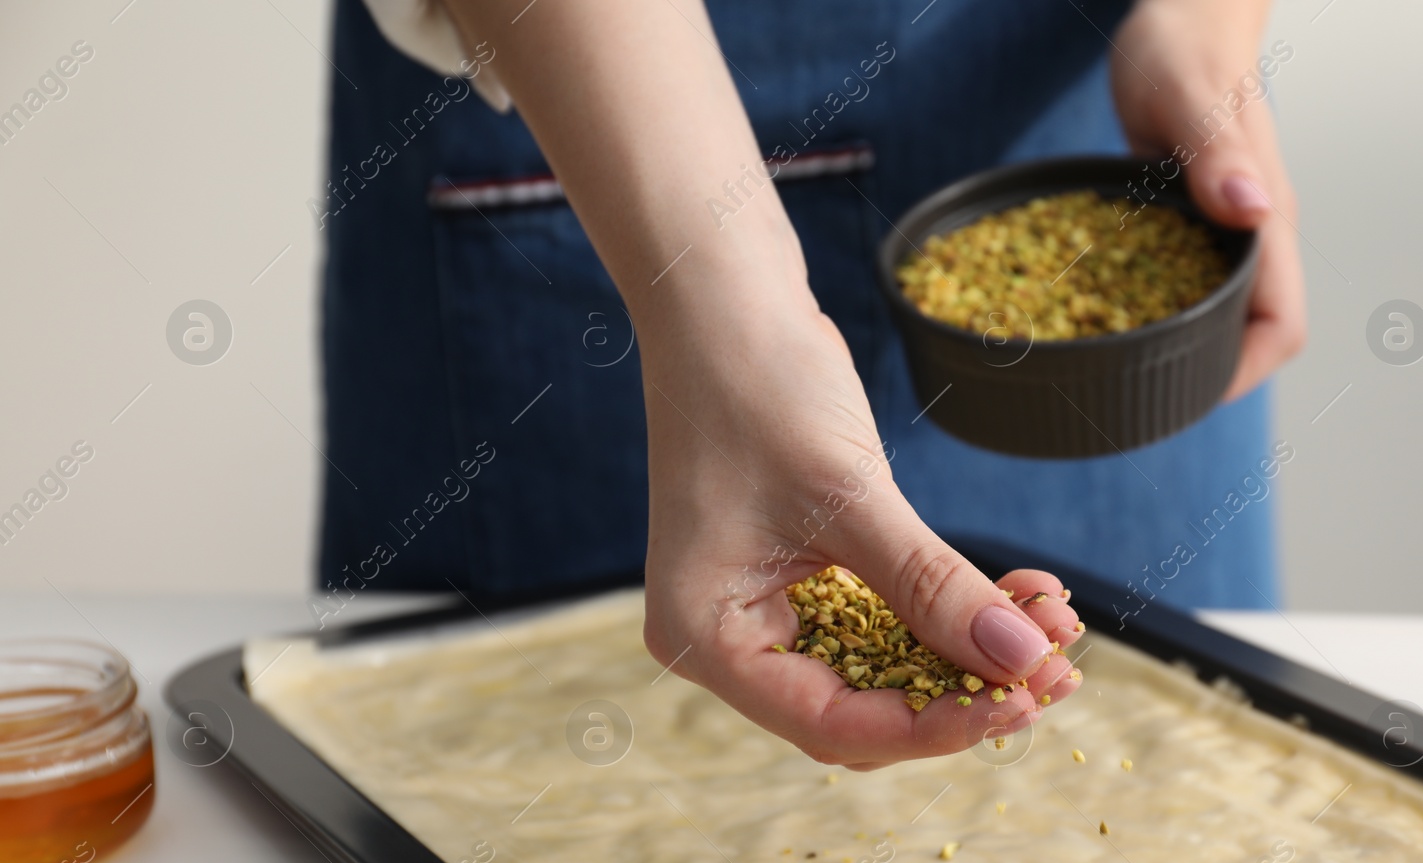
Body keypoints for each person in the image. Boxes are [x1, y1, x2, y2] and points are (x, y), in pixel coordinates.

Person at [314, 0, 1305, 770]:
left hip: (1086, 130)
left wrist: (1206, 27)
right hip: (591, 110)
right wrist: (720, 320)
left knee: (1190, 810)